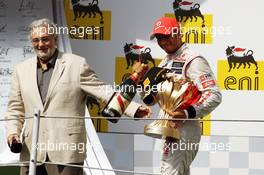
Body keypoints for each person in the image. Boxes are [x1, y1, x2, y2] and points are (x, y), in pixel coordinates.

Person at [5, 18, 150, 175]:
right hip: (31, 151)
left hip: (66, 151)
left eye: (45, 39)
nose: (41, 44)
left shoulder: (77, 64)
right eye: (36, 40)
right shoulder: (21, 70)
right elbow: (15, 108)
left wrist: (133, 108)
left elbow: (102, 91)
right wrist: (13, 133)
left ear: (55, 39)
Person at [149, 17, 222, 175]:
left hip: (185, 130)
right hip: (168, 128)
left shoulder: (193, 60)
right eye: (159, 38)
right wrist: (143, 83)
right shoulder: (166, 61)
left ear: (178, 33)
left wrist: (187, 113)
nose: (162, 42)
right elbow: (152, 100)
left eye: (166, 36)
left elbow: (214, 94)